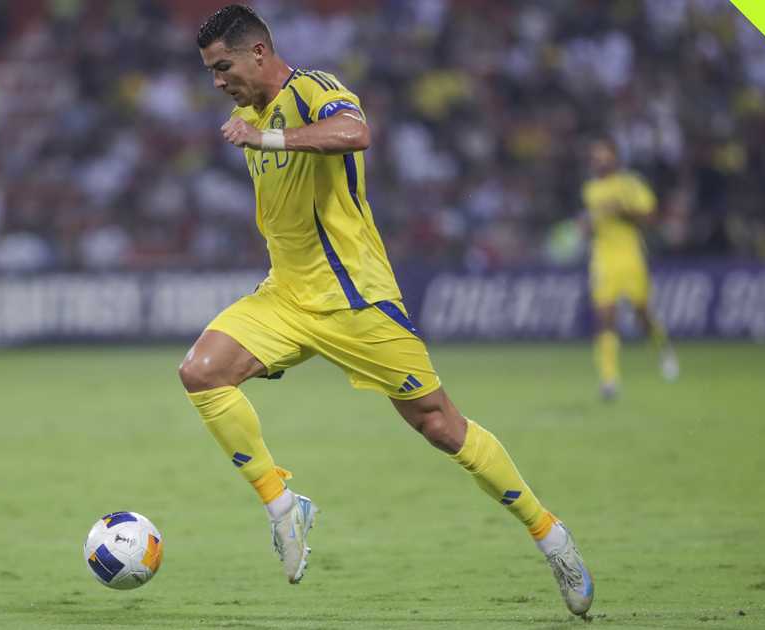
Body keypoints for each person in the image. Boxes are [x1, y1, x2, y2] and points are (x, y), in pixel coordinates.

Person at [180, 5, 593, 617]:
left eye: (224, 67)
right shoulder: (246, 118)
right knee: (201, 372)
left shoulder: (314, 91)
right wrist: (258, 135)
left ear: (259, 53)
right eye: (211, 71)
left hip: (356, 299)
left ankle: (550, 536)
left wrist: (269, 137)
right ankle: (284, 505)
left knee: (440, 426)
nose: (218, 82)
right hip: (286, 296)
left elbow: (355, 134)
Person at [581, 138, 679, 400]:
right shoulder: (590, 189)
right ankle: (609, 380)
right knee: (605, 316)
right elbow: (593, 224)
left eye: (604, 155)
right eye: (596, 156)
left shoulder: (631, 184)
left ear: (615, 157)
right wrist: (586, 228)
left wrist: (622, 210)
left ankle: (663, 348)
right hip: (603, 259)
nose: (599, 161)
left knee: (642, 314)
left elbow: (650, 217)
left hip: (631, 257)